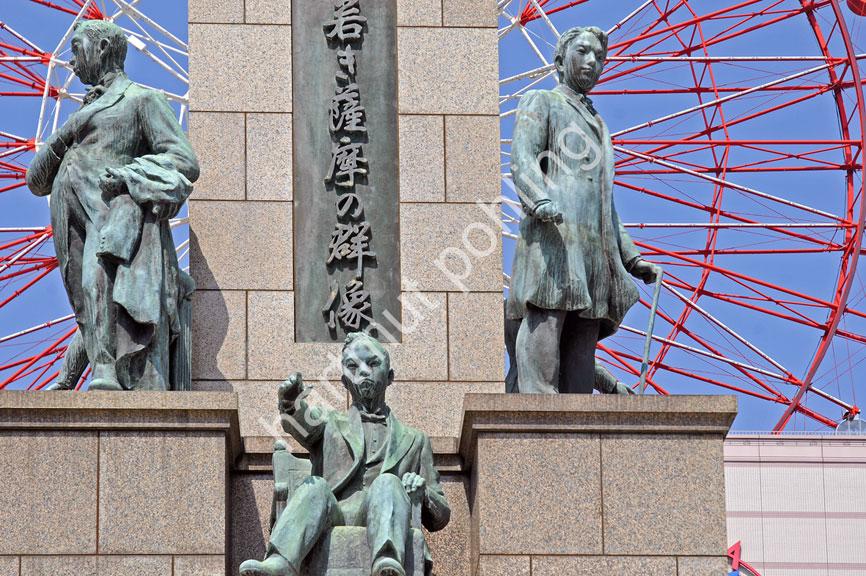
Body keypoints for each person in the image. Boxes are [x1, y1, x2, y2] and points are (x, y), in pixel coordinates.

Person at [26, 20, 199, 391]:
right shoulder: (78, 118)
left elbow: (183, 160)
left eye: (77, 49)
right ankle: (86, 371)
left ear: (103, 48)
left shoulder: (142, 100)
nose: (71, 62)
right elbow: (35, 181)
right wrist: (70, 129)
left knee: (97, 280)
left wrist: (130, 178)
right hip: (69, 225)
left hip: (112, 219)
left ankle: (105, 374)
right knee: (89, 304)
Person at [506, 26, 661, 394]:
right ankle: (538, 402)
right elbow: (523, 158)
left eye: (599, 57)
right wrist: (538, 198)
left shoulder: (599, 124)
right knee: (547, 313)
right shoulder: (541, 101)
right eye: (583, 52)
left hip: (595, 244)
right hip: (554, 233)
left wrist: (631, 257)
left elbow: (606, 202)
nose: (592, 62)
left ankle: (579, 410)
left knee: (585, 327)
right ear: (560, 59)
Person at [239, 333, 450, 576]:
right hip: (332, 513)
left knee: (388, 482)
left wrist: (423, 493)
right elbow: (302, 424)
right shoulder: (330, 423)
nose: (363, 372)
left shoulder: (415, 440)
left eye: (372, 363)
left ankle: (387, 563)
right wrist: (290, 403)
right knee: (315, 486)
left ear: (390, 376)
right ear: (344, 380)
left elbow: (441, 515)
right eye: (353, 366)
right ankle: (280, 563)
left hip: (383, 512)